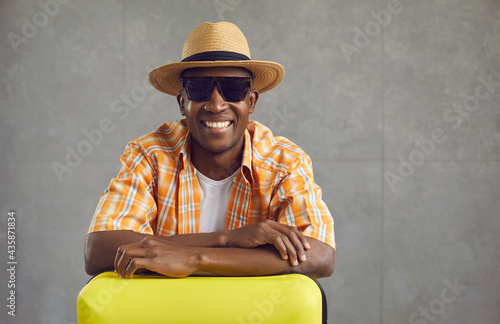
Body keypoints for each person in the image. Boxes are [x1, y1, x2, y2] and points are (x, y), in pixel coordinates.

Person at [84, 21, 335, 279]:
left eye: (234, 87)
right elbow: (99, 250)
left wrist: (194, 259)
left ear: (251, 101)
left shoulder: (285, 162)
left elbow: (319, 255)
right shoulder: (149, 155)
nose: (216, 105)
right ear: (183, 102)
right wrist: (227, 239)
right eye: (199, 87)